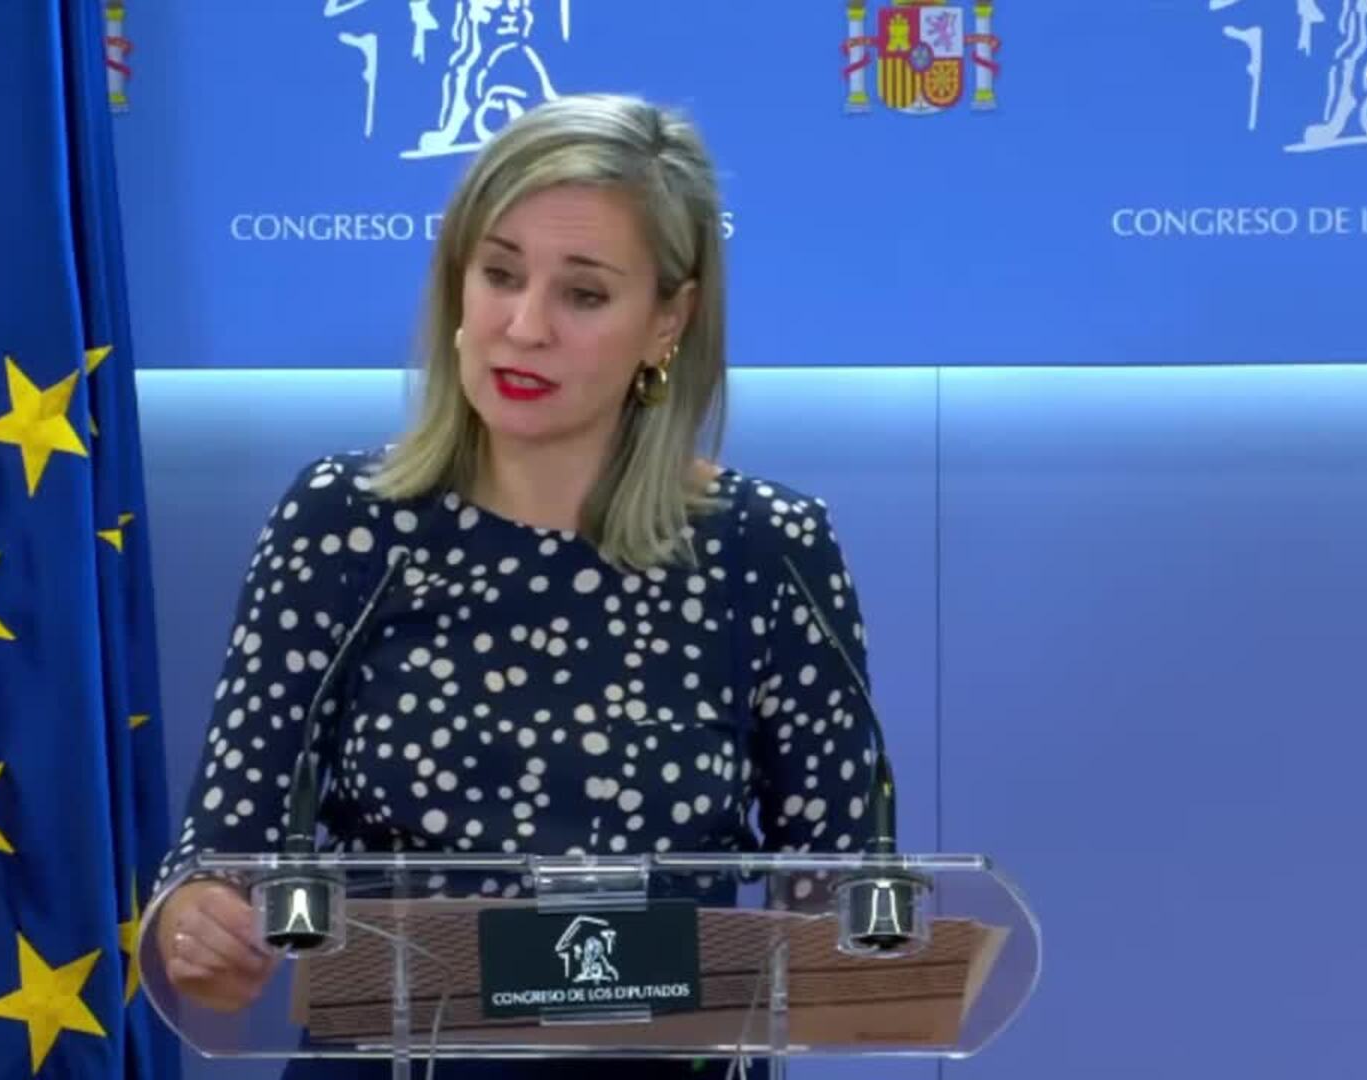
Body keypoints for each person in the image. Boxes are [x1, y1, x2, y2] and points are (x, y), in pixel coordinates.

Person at [141, 92, 882, 1078]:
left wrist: (860, 939)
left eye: (583, 294)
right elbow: (223, 857)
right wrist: (205, 923)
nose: (523, 327)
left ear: (668, 319)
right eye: (498, 274)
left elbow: (841, 893)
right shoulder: (342, 524)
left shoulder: (768, 548)